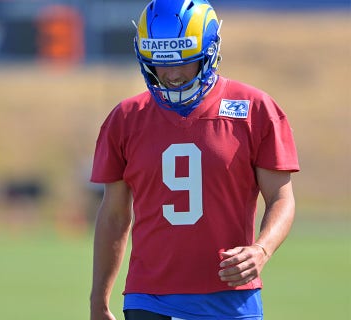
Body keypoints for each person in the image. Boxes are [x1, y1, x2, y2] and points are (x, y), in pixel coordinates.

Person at [89, 1, 300, 319]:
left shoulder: (254, 108)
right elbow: (114, 216)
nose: (172, 75)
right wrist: (98, 301)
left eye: (184, 62)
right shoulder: (125, 118)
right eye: (160, 63)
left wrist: (262, 249)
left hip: (230, 298)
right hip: (148, 298)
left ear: (210, 51)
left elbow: (281, 198)